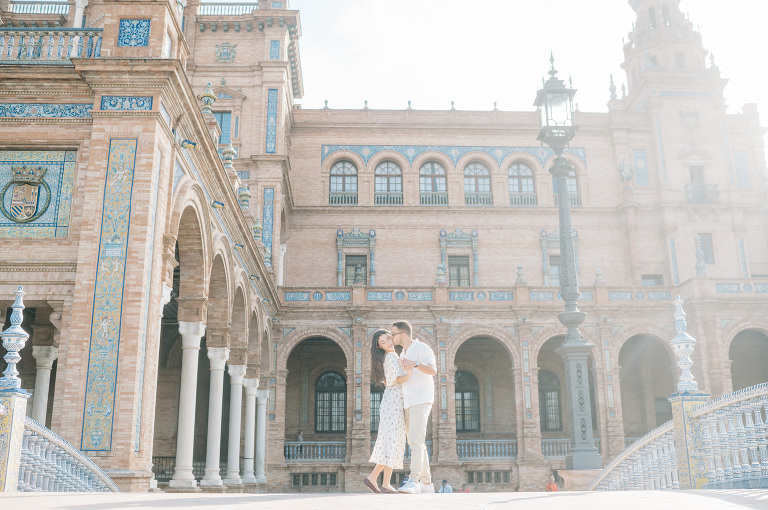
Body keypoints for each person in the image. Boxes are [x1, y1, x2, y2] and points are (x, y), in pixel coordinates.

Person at [391, 320, 437, 494]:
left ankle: (414, 480)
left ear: (403, 334)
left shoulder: (422, 348)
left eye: (393, 333)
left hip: (421, 399)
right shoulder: (403, 352)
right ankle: (426, 483)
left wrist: (415, 364)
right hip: (409, 401)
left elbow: (433, 370)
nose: (391, 336)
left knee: (416, 441)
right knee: (416, 442)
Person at [364, 329, 413, 494]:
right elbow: (397, 380)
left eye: (387, 338)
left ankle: (382, 482)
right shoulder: (391, 357)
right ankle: (378, 480)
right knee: (393, 442)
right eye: (383, 342)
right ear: (379, 347)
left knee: (392, 442)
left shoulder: (391, 356)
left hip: (392, 402)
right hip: (393, 403)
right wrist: (412, 370)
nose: (388, 342)